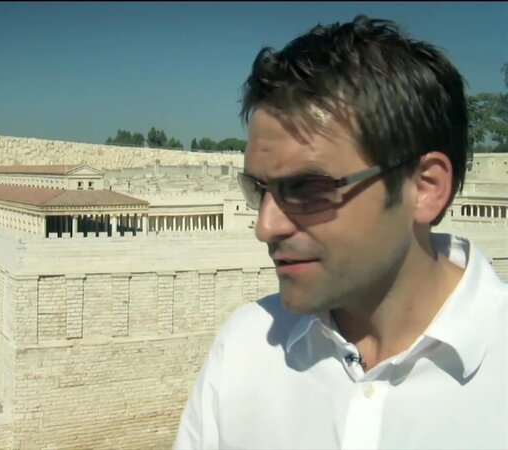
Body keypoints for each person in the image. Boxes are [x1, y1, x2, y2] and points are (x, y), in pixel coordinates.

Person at [174, 15, 507, 450]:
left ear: (425, 188)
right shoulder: (245, 349)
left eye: (308, 188)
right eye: (259, 189)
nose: (265, 227)